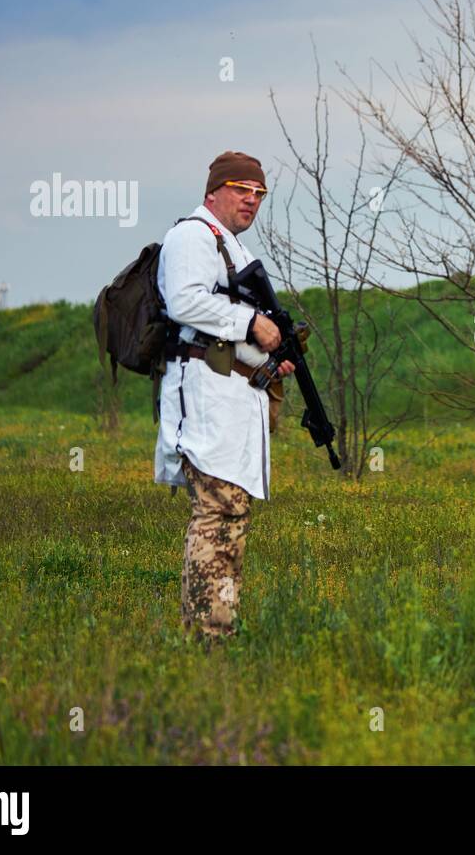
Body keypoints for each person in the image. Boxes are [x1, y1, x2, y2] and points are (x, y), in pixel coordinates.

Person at [154, 151, 295, 642]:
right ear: (213, 190)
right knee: (216, 513)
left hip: (232, 400)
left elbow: (225, 328)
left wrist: (266, 359)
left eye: (259, 194)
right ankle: (205, 633)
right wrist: (251, 323)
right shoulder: (192, 235)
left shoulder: (228, 244)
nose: (251, 201)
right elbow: (186, 300)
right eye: (241, 190)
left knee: (232, 513)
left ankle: (219, 628)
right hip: (206, 402)